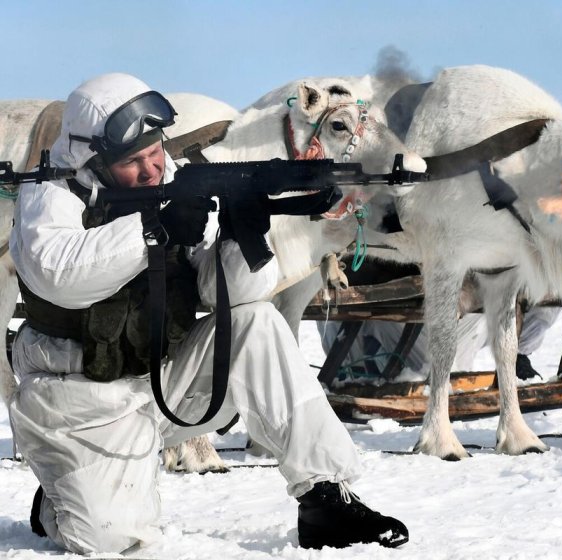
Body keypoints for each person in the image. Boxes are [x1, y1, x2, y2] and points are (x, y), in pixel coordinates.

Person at [7, 73, 408, 553]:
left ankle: (325, 497)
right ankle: (58, 495)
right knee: (112, 539)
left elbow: (228, 293)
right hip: (77, 404)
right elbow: (61, 274)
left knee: (256, 323)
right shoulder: (49, 197)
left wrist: (244, 234)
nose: (153, 170)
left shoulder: (173, 181)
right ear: (92, 160)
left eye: (155, 152)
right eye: (134, 163)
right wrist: (153, 227)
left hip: (160, 384)